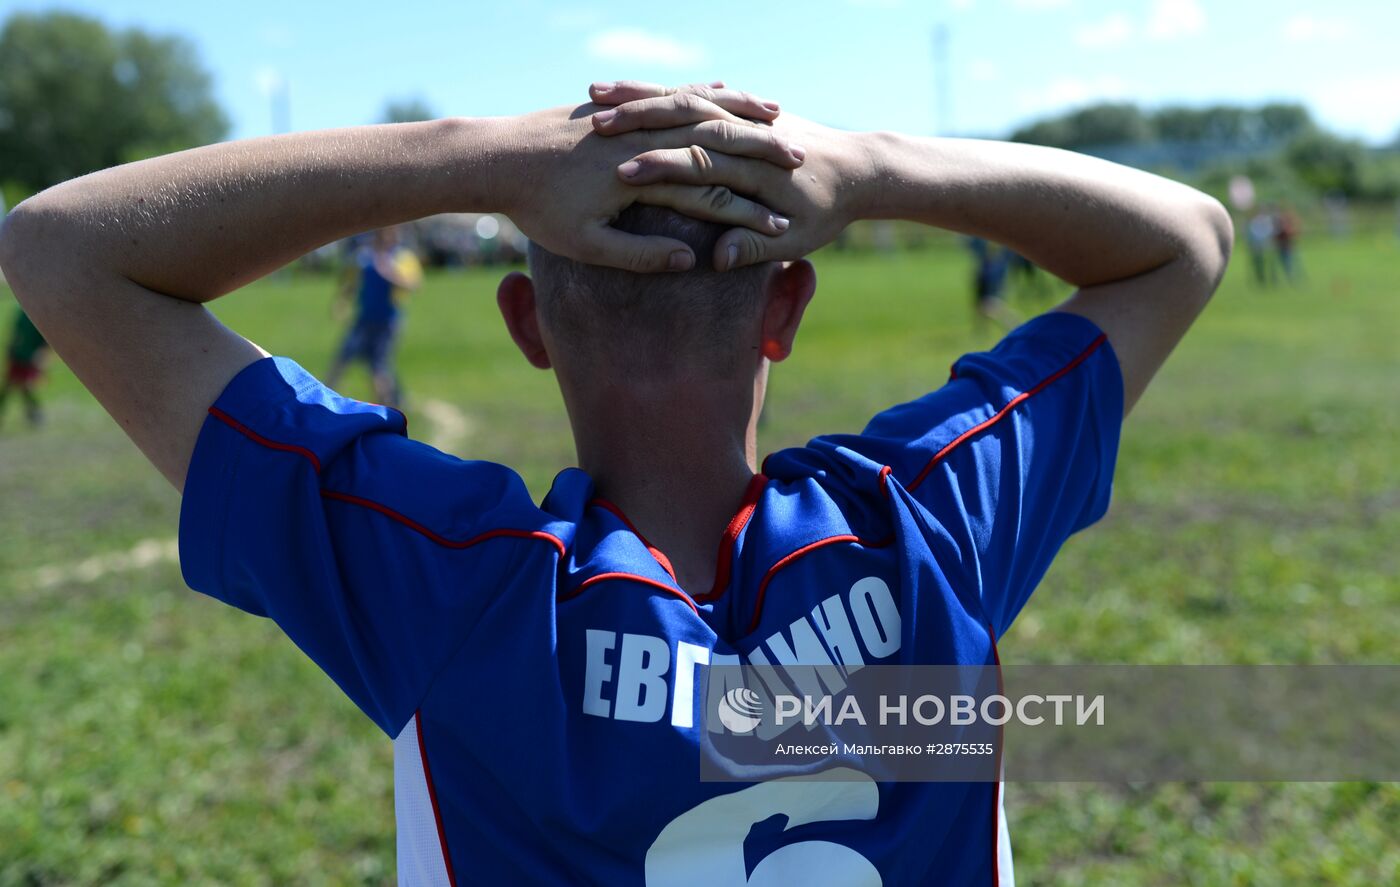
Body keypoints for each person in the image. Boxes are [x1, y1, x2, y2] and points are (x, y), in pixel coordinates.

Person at [0, 79, 1232, 884]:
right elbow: (1181, 241)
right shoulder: (927, 525)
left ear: (526, 323)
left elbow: (63, 246)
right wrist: (872, 167)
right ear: (785, 305)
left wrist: (481, 158)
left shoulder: (455, 586)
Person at [326, 225, 421, 407]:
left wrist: (388, 272)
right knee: (341, 359)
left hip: (387, 321)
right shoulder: (364, 257)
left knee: (378, 367)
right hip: (363, 320)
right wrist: (342, 301)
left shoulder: (402, 258)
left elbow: (414, 285)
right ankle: (320, 401)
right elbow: (352, 283)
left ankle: (386, 408)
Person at [0, 307, 50, 428]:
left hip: (31, 358)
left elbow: (46, 340)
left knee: (27, 386)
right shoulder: (22, 313)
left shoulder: (39, 314)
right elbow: (16, 333)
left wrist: (42, 356)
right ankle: (34, 415)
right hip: (18, 355)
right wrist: (10, 350)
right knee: (9, 386)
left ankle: (36, 414)